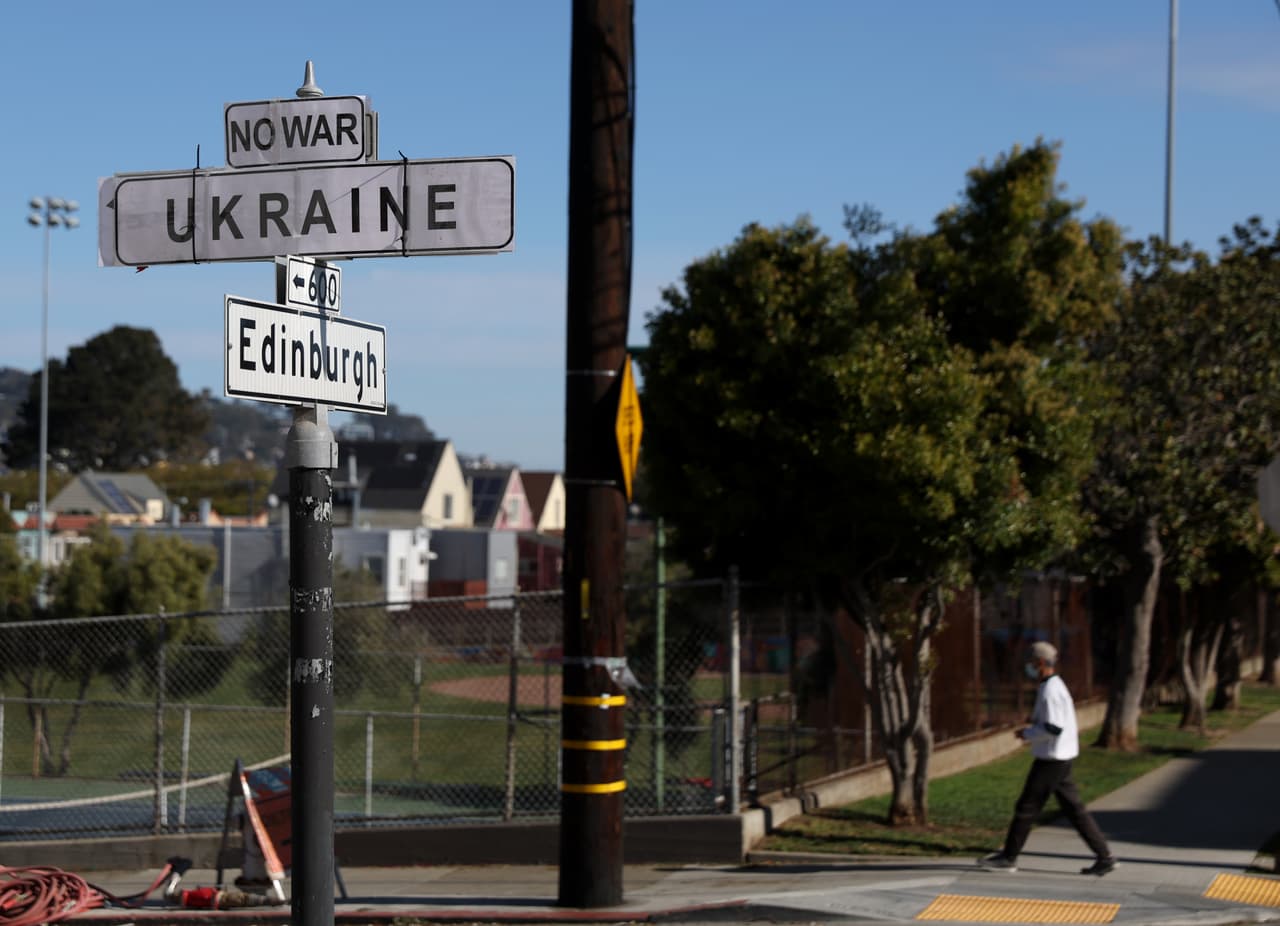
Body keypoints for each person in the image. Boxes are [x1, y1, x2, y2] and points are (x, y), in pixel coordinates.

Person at [979, 641, 1116, 875]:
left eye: (1031, 664)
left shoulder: (1050, 690)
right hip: (1061, 756)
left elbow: (1053, 727)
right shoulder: (1054, 686)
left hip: (1052, 758)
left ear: (1041, 663)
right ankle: (1104, 856)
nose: (1028, 668)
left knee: (1026, 807)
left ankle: (1009, 857)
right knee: (1074, 810)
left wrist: (1028, 734)